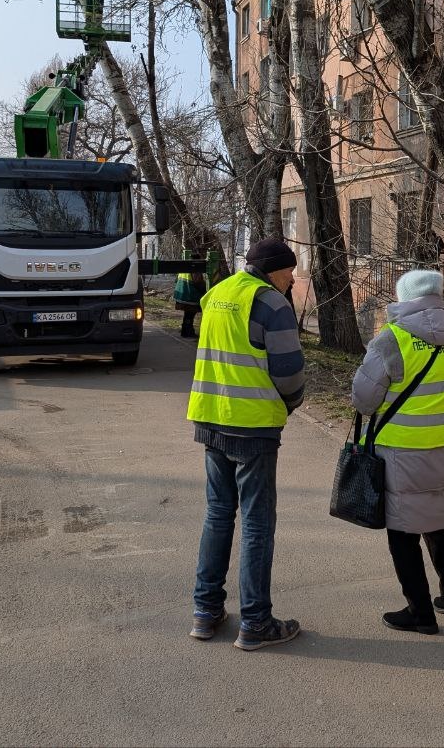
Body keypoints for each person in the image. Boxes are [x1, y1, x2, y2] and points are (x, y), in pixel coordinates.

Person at [187, 237, 305, 651]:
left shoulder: (217, 293)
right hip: (252, 426)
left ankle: (206, 611)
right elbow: (288, 371)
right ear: (274, 270)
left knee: (218, 514)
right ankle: (255, 622)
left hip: (210, 416)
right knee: (257, 522)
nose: (293, 278)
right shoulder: (272, 303)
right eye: (290, 270)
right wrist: (290, 403)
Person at [350, 269, 444, 635]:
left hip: (405, 453)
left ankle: (420, 612)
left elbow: (363, 399)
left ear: (404, 298)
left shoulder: (391, 340)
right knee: (439, 521)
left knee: (403, 531)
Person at [173, 252, 207, 339]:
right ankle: (187, 332)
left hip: (181, 295)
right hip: (189, 297)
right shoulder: (195, 266)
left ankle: (185, 331)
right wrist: (205, 291)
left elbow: (176, 280)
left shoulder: (185, 265)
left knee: (187, 314)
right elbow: (197, 282)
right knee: (190, 314)